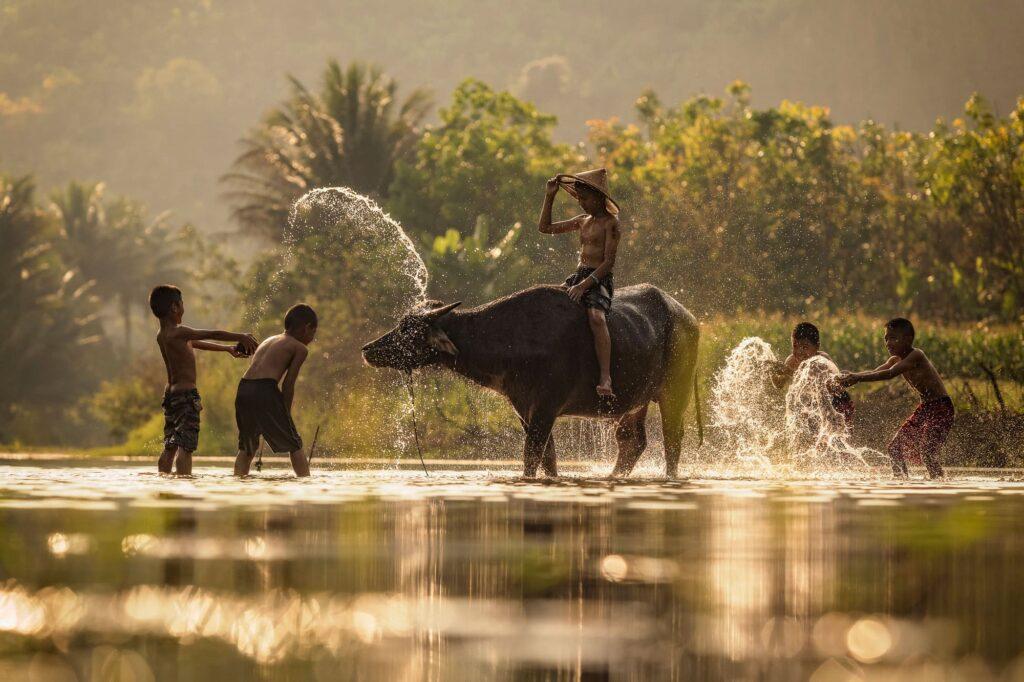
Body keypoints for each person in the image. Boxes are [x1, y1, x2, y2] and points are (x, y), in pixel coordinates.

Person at [149, 285, 258, 475]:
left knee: (170, 445)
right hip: (186, 396)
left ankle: (164, 479)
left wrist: (227, 349)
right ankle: (183, 482)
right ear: (175, 307)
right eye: (182, 304)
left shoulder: (163, 335)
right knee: (186, 446)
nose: (184, 307)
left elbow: (194, 342)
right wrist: (240, 336)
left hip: (171, 396)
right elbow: (212, 333)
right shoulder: (179, 331)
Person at [538, 168, 621, 398]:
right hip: (578, 274)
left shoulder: (610, 224)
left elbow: (608, 263)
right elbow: (545, 228)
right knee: (552, 308)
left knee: (595, 317)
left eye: (585, 198)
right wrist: (550, 196)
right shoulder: (582, 221)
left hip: (598, 278)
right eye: (579, 198)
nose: (581, 203)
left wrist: (584, 286)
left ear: (598, 197)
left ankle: (605, 376)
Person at [838, 318, 953, 479]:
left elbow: (889, 374)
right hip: (926, 407)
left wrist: (856, 377)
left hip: (942, 407)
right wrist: (851, 376)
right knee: (894, 448)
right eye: (886, 338)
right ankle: (901, 481)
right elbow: (875, 371)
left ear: (907, 339)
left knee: (927, 453)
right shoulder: (894, 360)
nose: (888, 342)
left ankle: (940, 483)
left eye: (893, 338)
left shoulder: (916, 355)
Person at [233, 303, 318, 477]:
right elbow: (288, 384)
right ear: (307, 328)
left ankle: (238, 481)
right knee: (294, 443)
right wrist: (285, 414)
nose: (312, 338)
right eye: (313, 333)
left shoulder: (269, 340)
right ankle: (306, 482)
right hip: (264, 389)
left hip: (244, 388)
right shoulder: (300, 348)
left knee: (247, 446)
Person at [771, 322, 854, 427]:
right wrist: (773, 372)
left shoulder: (822, 360)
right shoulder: (792, 360)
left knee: (836, 435)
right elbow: (779, 385)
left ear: (817, 347)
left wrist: (787, 371)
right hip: (815, 403)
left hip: (837, 402)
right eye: (795, 346)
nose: (799, 351)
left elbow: (813, 380)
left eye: (805, 347)